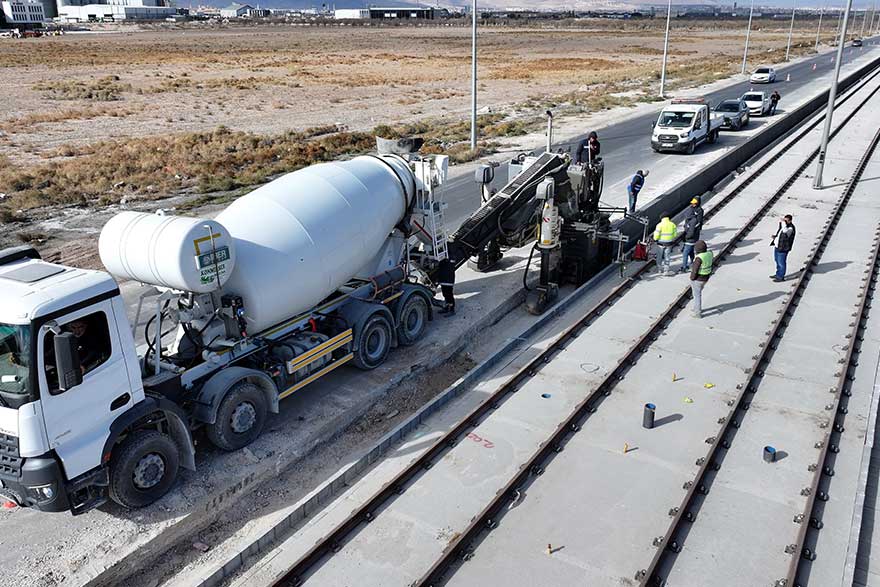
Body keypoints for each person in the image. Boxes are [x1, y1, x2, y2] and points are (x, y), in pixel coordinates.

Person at [689, 240, 713, 318]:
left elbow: (695, 270)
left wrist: (692, 278)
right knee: (697, 294)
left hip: (698, 278)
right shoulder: (709, 253)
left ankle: (697, 313)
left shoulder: (699, 258)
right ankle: (696, 308)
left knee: (697, 295)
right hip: (706, 277)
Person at [680, 197, 704, 272]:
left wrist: (686, 237)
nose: (693, 204)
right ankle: (692, 262)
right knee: (691, 251)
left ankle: (684, 267)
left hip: (690, 238)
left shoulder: (698, 213)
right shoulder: (691, 210)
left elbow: (692, 230)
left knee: (685, 253)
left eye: (695, 203)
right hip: (692, 236)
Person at [771, 214, 795, 282]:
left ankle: (781, 277)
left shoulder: (790, 228)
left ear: (790, 221)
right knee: (777, 261)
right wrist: (775, 237)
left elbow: (785, 232)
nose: (785, 221)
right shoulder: (784, 226)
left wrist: (783, 223)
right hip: (778, 246)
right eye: (784, 220)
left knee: (781, 263)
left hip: (783, 248)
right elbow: (780, 234)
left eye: (786, 221)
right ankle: (778, 274)